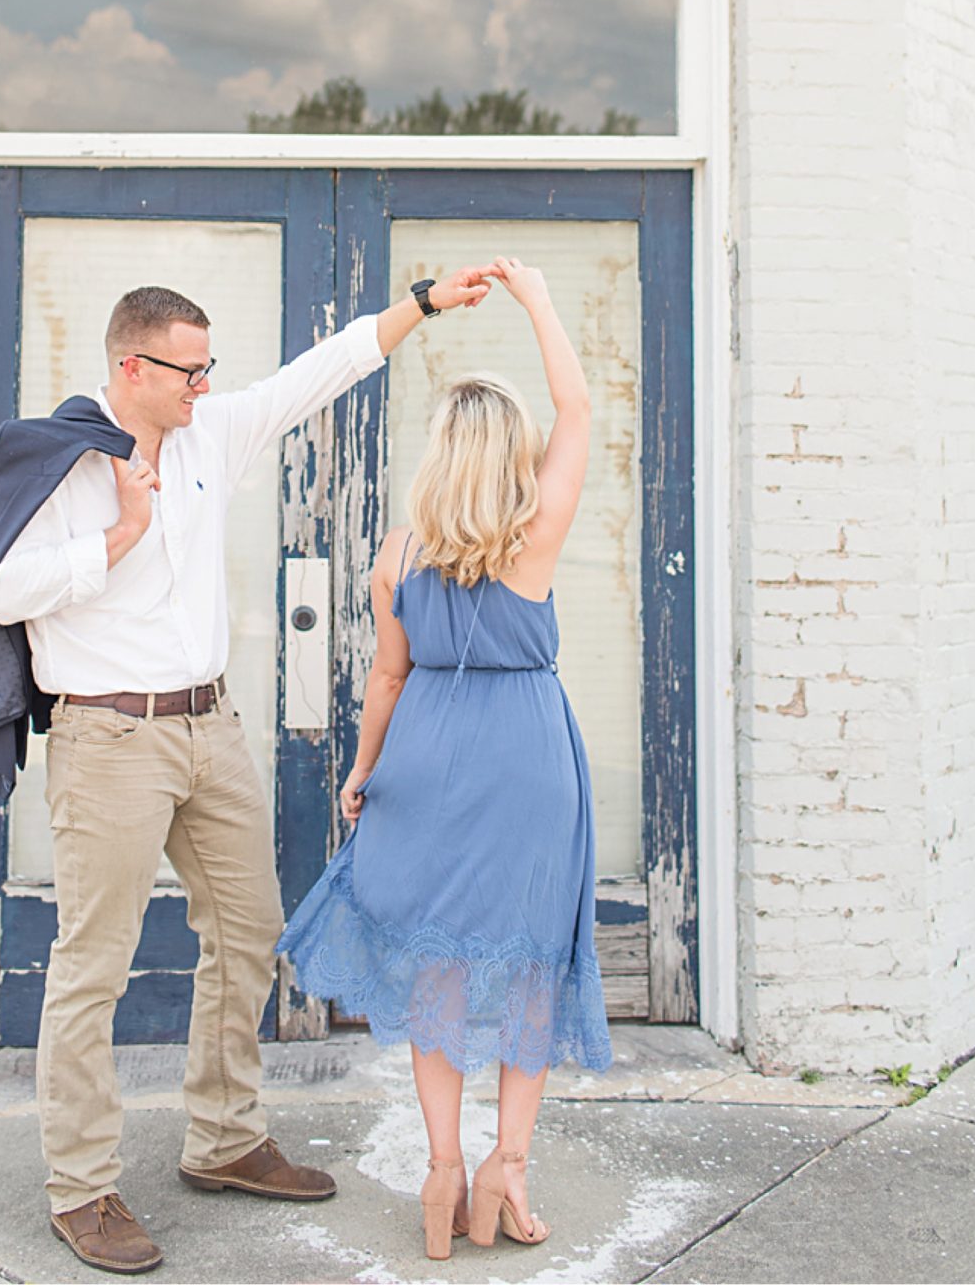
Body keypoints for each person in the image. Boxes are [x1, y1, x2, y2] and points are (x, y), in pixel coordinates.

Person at [0, 268, 494, 1275]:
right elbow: (2, 589)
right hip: (108, 738)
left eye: (210, 367)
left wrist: (423, 303)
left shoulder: (212, 432)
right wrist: (116, 533)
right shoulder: (55, 460)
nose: (203, 386)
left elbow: (323, 368)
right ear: (130, 364)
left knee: (250, 928)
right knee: (95, 964)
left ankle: (223, 1137)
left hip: (208, 727)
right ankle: (81, 1186)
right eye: (186, 369)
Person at [276, 255, 614, 1262]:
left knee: (437, 962)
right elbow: (578, 403)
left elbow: (383, 678)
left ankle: (439, 1165)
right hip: (526, 759)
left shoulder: (397, 552)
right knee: (529, 957)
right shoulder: (535, 532)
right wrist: (540, 298)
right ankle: (507, 1162)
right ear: (510, 452)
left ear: (438, 454)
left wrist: (363, 769)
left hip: (424, 751)